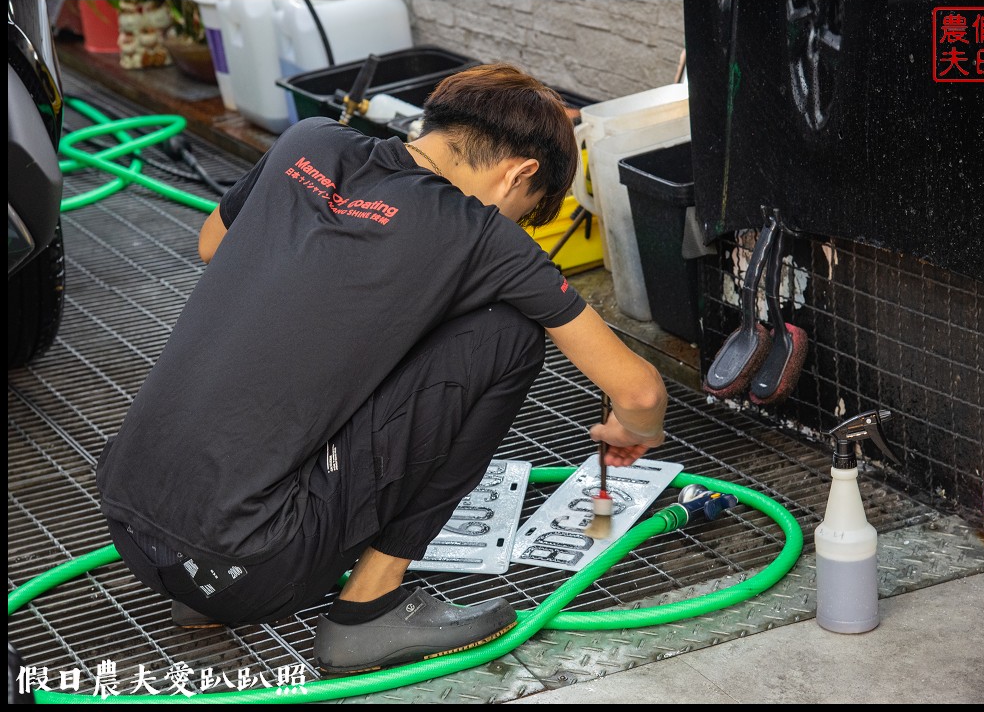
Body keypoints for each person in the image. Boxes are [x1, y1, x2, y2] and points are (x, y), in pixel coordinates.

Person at [95, 63, 667, 676]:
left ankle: (199, 594)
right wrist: (636, 432)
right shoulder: (480, 236)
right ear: (518, 175)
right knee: (507, 335)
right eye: (522, 213)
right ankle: (368, 612)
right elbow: (637, 389)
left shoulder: (309, 141)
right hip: (253, 564)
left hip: (131, 526)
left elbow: (214, 244)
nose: (512, 227)